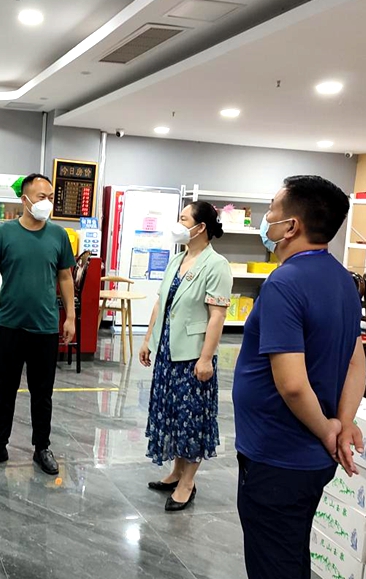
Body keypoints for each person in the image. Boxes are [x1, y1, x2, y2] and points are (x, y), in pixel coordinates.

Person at [233, 175, 366, 579]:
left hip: (278, 455)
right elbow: (355, 362)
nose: (266, 218)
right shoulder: (343, 280)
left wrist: (327, 430)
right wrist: (344, 423)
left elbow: (291, 384)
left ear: (291, 226)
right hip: (309, 461)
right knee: (290, 552)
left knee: (274, 562)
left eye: (272, 209)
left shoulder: (285, 283)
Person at [0, 173, 76, 476]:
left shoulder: (58, 235)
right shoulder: (4, 233)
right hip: (10, 325)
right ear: (25, 199)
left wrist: (70, 316)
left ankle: (42, 447)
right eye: (41, 197)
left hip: (45, 327)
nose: (47, 203)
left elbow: (65, 277)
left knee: (43, 394)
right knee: (4, 391)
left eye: (50, 197)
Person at [139, 201, 232, 511]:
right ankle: (176, 472)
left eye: (183, 219)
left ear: (201, 227)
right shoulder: (178, 259)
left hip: (193, 356)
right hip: (168, 352)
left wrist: (206, 359)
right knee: (173, 414)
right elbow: (161, 303)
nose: (178, 225)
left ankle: (188, 483)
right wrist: (148, 341)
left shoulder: (216, 265)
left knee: (191, 418)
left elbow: (217, 316)